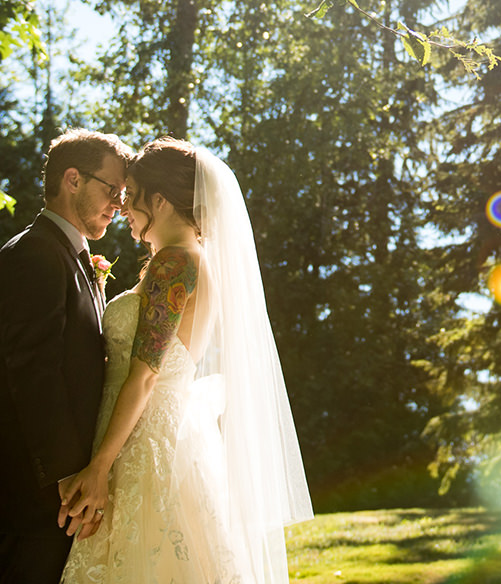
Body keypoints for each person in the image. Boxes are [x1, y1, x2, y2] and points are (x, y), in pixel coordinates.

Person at [57, 138, 311, 584]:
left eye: (131, 195)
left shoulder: (174, 265)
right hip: (161, 439)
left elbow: (144, 378)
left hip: (143, 446)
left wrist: (98, 469)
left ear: (159, 200)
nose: (124, 207)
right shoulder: (190, 260)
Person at [0, 128, 131, 584]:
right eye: (112, 189)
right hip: (36, 496)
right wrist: (71, 482)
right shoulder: (33, 254)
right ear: (73, 179)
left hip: (59, 497)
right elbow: (35, 374)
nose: (120, 203)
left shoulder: (70, 257)